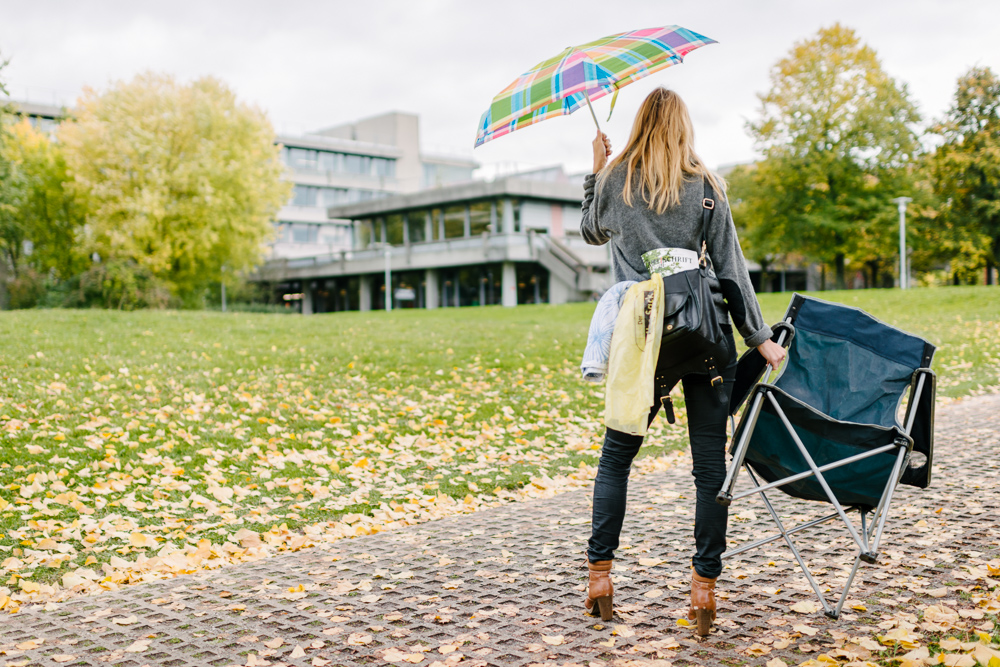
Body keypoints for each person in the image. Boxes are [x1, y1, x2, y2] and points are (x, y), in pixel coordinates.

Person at [579, 87, 786, 636]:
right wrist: (760, 339)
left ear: (640, 125)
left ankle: (600, 577)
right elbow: (733, 271)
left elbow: (590, 231)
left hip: (641, 340)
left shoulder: (615, 183)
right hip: (705, 337)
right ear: (683, 127)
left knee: (616, 459)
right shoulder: (707, 186)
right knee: (709, 470)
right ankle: (704, 591)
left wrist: (595, 172)